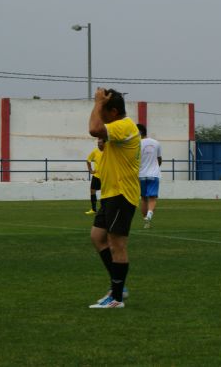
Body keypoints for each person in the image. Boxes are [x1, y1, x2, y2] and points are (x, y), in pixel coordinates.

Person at [87, 87, 141, 309]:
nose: (101, 115)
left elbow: (94, 129)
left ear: (115, 111)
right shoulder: (116, 128)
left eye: (104, 111)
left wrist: (97, 103)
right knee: (97, 237)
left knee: (117, 244)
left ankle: (117, 297)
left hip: (122, 193)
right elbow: (100, 134)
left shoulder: (125, 125)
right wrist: (102, 140)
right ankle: (119, 287)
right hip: (110, 193)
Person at [137, 124, 162, 229]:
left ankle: (146, 222)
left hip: (141, 174)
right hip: (154, 174)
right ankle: (149, 215)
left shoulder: (137, 144)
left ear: (140, 132)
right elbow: (159, 159)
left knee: (143, 199)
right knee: (152, 198)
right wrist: (155, 167)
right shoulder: (156, 143)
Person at [85, 138, 104, 215]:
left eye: (100, 143)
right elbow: (88, 160)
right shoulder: (95, 151)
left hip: (106, 176)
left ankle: (104, 209)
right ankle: (93, 209)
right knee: (92, 191)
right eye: (98, 143)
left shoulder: (108, 152)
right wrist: (90, 170)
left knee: (106, 193)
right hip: (96, 176)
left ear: (104, 143)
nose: (99, 144)